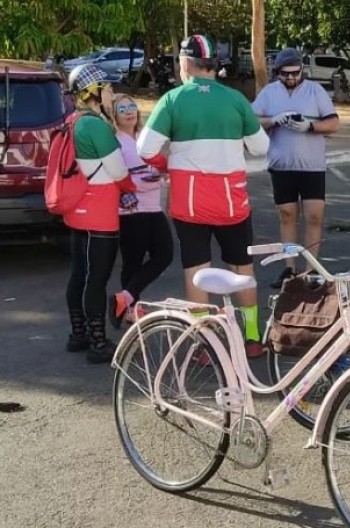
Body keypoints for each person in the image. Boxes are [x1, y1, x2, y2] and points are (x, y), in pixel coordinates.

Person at [138, 35, 270, 358]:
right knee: (242, 268)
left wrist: (168, 163)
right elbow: (261, 147)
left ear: (185, 64)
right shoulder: (236, 100)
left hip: (190, 203)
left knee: (196, 271)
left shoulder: (173, 100)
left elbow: (144, 149)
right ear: (214, 66)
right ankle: (252, 337)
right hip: (232, 202)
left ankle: (203, 342)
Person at [252, 48, 340, 288]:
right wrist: (273, 120)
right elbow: (250, 120)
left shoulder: (315, 90)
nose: (291, 78)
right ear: (277, 72)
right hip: (282, 166)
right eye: (285, 74)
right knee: (287, 215)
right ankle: (289, 269)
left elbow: (333, 122)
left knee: (314, 217)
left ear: (302, 70)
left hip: (312, 167)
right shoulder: (269, 93)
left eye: (295, 73)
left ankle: (311, 270)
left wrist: (310, 126)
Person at [62, 64, 132, 364]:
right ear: (95, 91)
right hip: (100, 214)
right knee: (97, 279)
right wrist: (129, 187)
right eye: (108, 88)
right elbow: (118, 170)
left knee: (80, 274)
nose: (112, 93)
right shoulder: (94, 125)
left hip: (78, 210)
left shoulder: (73, 120)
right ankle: (98, 343)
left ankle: (78, 334)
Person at [108, 94, 173, 330]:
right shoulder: (115, 141)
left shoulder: (144, 138)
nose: (129, 111)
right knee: (132, 262)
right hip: (130, 211)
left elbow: (160, 167)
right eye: (122, 108)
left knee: (164, 255)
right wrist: (153, 180)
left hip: (153, 207)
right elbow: (119, 177)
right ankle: (130, 308)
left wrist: (160, 174)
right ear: (113, 115)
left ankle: (124, 299)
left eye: (132, 106)